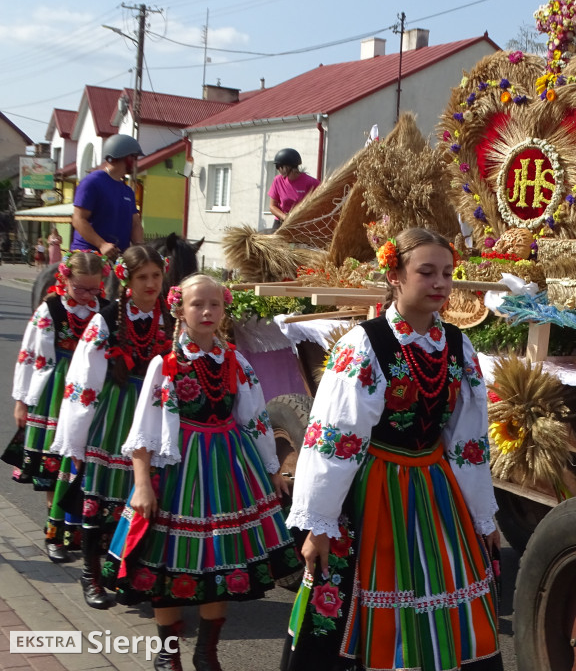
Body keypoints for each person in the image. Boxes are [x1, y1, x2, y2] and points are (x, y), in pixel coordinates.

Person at [282, 228, 502, 671]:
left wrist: (483, 515)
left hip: (437, 490)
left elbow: (468, 441)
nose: (440, 283)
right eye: (426, 272)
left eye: (446, 272)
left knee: (440, 589)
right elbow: (333, 441)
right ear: (395, 274)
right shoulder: (366, 344)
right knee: (359, 597)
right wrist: (319, 524)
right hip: (374, 491)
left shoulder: (458, 345)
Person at [105, 273, 299, 671]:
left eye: (215, 304)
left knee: (220, 562)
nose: (207, 311)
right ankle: (168, 651)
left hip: (229, 467)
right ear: (180, 309)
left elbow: (256, 420)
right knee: (166, 559)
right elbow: (142, 433)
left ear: (224, 309)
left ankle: (207, 652)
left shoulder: (235, 361)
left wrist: (272, 467)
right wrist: (142, 485)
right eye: (198, 304)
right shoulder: (167, 365)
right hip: (177, 470)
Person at [50, 246, 173, 609]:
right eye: (142, 278)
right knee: (99, 497)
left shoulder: (170, 318)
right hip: (114, 417)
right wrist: (74, 443)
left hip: (151, 414)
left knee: (141, 500)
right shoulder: (105, 320)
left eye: (156, 276)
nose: (151, 284)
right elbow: (82, 383)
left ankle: (123, 572)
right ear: (126, 282)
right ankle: (90, 575)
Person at [3, 251, 108, 563]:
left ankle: (78, 529)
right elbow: (28, 355)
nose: (89, 296)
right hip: (54, 393)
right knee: (55, 466)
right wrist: (22, 401)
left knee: (85, 465)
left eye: (95, 289)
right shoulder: (49, 309)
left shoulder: (102, 311)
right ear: (65, 279)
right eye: (82, 289)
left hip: (90, 392)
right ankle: (54, 534)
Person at [71, 134, 145, 260]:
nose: (136, 163)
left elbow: (135, 224)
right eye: (134, 157)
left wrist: (141, 249)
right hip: (87, 256)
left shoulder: (127, 191)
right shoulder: (92, 182)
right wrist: (102, 244)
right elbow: (78, 219)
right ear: (126, 157)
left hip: (117, 257)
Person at [267, 148, 319, 230]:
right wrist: (285, 217)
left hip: (302, 223)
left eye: (278, 166)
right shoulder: (277, 180)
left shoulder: (311, 182)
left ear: (288, 167)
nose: (277, 169)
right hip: (281, 221)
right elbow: (272, 206)